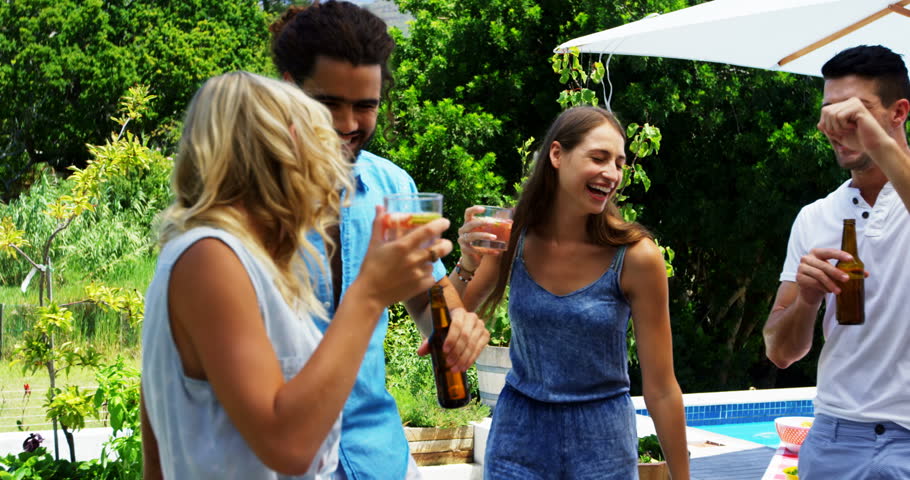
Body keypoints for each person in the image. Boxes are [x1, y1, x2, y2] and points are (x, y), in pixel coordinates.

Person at [140, 71, 454, 479]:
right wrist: (370, 293)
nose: (331, 164)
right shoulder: (210, 258)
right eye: (318, 141)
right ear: (282, 147)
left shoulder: (238, 258)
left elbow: (155, 443)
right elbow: (289, 448)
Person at [268, 3, 489, 479]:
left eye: (365, 106)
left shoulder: (393, 187)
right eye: (329, 104)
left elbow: (429, 304)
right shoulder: (246, 201)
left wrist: (459, 325)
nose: (348, 123)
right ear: (289, 90)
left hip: (379, 457)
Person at [452, 106, 689, 479]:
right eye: (599, 158)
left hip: (603, 444)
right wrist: (466, 264)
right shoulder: (512, 236)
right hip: (518, 438)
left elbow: (661, 388)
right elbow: (445, 326)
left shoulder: (636, 257)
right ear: (557, 155)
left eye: (619, 163)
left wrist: (682, 476)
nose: (612, 174)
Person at [763, 45, 910, 480]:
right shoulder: (816, 217)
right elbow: (780, 352)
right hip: (833, 437)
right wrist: (807, 300)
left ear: (899, 112)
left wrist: (876, 141)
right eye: (831, 112)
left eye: (856, 112)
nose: (840, 126)